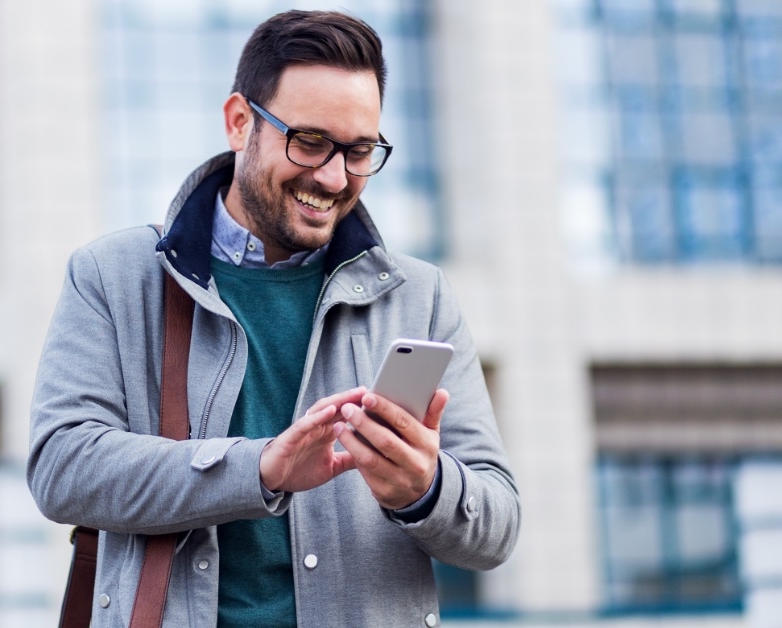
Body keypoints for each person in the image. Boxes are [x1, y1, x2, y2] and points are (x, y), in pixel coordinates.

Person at [27, 9, 520, 628]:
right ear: (240, 122)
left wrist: (423, 489)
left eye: (359, 151)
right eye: (309, 142)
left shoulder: (419, 297)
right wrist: (258, 469)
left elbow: (497, 527)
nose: (334, 177)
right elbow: (62, 468)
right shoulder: (113, 276)